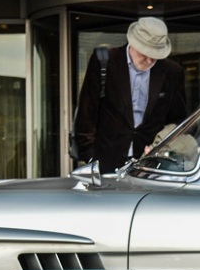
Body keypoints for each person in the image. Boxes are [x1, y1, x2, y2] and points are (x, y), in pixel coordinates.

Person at [73, 16, 188, 172]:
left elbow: (177, 119)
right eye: (145, 53)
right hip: (104, 159)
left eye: (155, 55)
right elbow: (87, 113)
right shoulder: (104, 61)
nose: (149, 60)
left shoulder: (172, 71)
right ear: (133, 43)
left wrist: (162, 148)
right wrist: (90, 156)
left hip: (150, 163)